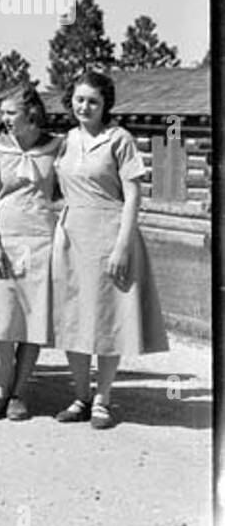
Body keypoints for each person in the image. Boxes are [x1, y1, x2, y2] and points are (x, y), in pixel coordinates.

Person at [51, 71, 168, 429]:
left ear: (105, 105)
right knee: (73, 317)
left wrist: (122, 245)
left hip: (109, 233)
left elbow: (133, 195)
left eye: (93, 101)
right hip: (71, 236)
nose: (84, 106)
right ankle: (80, 396)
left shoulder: (119, 139)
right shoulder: (65, 141)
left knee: (106, 317)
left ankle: (102, 398)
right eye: (79, 99)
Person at [0, 84, 61, 422]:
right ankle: (0, 390)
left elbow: (69, 189)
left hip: (41, 241)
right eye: (4, 113)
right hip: (2, 241)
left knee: (32, 321)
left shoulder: (56, 147)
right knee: (1, 321)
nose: (5, 120)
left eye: (11, 113)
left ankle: (20, 392)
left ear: (31, 113)